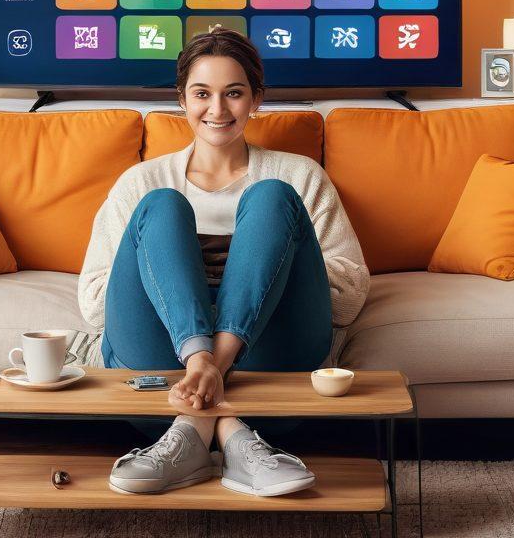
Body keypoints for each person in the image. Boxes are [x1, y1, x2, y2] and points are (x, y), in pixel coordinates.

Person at [77, 27, 370, 497]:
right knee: (162, 205)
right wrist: (180, 294)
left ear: (256, 99)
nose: (217, 109)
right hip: (163, 362)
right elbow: (95, 303)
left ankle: (195, 425)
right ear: (181, 100)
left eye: (233, 93)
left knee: (272, 197)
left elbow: (349, 295)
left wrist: (253, 288)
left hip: (269, 357)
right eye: (202, 94)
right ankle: (231, 432)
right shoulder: (142, 181)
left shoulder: (298, 175)